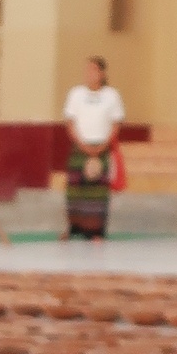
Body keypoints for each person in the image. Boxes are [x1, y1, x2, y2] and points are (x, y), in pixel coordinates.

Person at [60, 54, 125, 242]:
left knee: (97, 193)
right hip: (80, 146)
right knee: (75, 190)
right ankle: (74, 228)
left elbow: (116, 123)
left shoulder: (112, 95)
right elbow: (70, 121)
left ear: (102, 73)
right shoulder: (76, 93)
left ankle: (96, 232)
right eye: (87, 70)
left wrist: (103, 146)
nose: (88, 74)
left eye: (93, 70)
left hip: (101, 147)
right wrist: (82, 144)